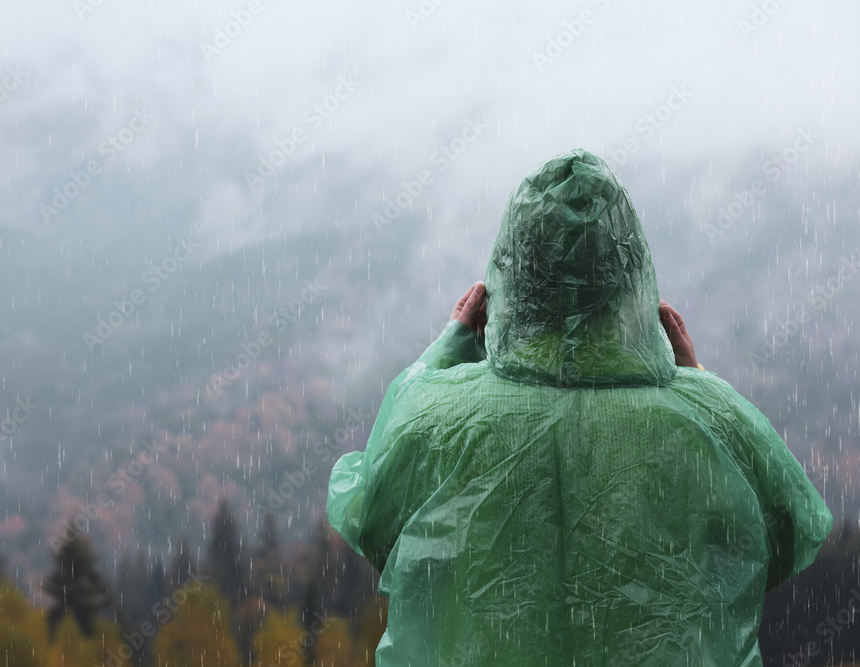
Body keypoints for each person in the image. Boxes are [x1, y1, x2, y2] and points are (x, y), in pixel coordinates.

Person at [326, 149, 832, 665]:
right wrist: (696, 385)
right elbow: (784, 538)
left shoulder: (434, 420)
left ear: (510, 274)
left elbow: (369, 513)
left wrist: (442, 358)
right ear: (630, 274)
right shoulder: (715, 419)